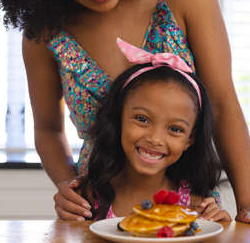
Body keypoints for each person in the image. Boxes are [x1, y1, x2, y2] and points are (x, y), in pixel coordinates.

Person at [0, 0, 250, 222]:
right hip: (100, 215)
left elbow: (222, 105)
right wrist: (72, 192)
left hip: (191, 210)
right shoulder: (45, 34)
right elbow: (49, 130)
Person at [82, 38, 229, 221]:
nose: (155, 138)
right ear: (119, 118)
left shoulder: (195, 204)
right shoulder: (91, 197)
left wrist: (221, 232)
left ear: (190, 139)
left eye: (175, 129)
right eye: (142, 119)